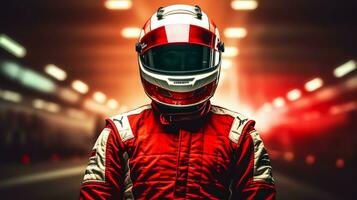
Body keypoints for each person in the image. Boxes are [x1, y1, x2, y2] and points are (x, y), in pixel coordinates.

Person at [79, 4, 276, 199]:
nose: (181, 69)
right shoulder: (120, 134)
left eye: (191, 59)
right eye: (170, 59)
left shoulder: (239, 134)